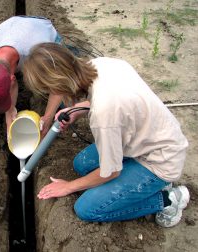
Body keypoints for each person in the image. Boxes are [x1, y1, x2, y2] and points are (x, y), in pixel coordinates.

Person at [22, 42, 190, 228]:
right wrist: (78, 109)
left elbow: (111, 172)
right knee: (82, 164)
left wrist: (68, 186)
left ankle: (168, 199)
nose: (51, 94)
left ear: (58, 82)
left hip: (160, 161)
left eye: (50, 89)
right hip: (147, 138)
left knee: (86, 209)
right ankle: (143, 183)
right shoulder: (101, 64)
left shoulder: (104, 115)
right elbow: (114, 104)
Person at [0, 16, 63, 137]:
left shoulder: (38, 55)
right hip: (13, 25)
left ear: (13, 79)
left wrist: (48, 119)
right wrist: (9, 111)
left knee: (56, 98)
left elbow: (59, 86)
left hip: (41, 27)